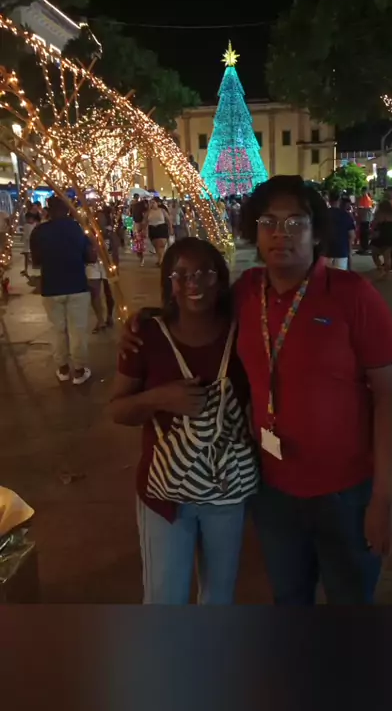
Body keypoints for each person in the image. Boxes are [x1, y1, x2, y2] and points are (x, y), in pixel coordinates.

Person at [121, 175, 392, 605]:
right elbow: (195, 310)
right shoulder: (246, 292)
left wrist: (384, 497)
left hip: (346, 493)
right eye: (269, 222)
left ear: (316, 232)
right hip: (274, 492)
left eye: (295, 222)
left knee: (350, 602)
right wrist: (145, 320)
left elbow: (389, 396)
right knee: (288, 601)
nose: (280, 233)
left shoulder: (354, 296)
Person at [110, 238, 258, 605]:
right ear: (169, 282)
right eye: (181, 274)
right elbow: (118, 409)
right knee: (165, 597)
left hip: (227, 488)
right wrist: (160, 398)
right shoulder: (146, 335)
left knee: (219, 595)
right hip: (164, 495)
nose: (194, 282)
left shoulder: (244, 333)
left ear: (220, 279)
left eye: (205, 272)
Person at [30, 196, 95, 385]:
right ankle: (79, 370)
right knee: (77, 330)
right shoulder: (77, 228)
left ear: (48, 210)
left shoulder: (39, 231)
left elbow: (36, 261)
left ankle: (63, 368)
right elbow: (90, 257)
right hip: (76, 285)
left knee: (57, 330)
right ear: (67, 210)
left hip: (51, 286)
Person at [325, 189, 355, 270]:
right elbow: (352, 235)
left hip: (326, 251)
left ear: (329, 200)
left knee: (327, 275)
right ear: (339, 200)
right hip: (342, 251)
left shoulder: (323, 214)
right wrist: (349, 250)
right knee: (339, 275)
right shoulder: (345, 215)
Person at [370, 200, 392, 277]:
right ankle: (387, 273)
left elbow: (374, 225)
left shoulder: (378, 214)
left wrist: (372, 233)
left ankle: (380, 268)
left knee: (374, 253)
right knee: (387, 257)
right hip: (390, 237)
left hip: (379, 236)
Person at [86, 258, 115, 332]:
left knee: (109, 293)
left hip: (107, 261)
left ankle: (109, 316)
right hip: (92, 264)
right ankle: (100, 320)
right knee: (94, 294)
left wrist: (115, 264)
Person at [147, 197, 171, 267]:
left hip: (161, 228)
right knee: (156, 246)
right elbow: (145, 221)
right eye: (151, 203)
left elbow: (168, 220)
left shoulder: (162, 210)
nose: (152, 204)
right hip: (152, 229)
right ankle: (160, 259)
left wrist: (171, 228)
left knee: (161, 245)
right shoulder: (148, 212)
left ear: (157, 203)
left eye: (153, 202)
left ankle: (161, 261)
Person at [20, 210, 38, 276]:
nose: (29, 220)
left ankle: (27, 269)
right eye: (27, 218)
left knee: (28, 257)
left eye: (30, 218)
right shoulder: (27, 225)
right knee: (27, 257)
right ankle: (26, 269)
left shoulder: (31, 225)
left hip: (30, 243)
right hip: (27, 243)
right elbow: (26, 234)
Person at [357, 188, 374, 253]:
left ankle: (365, 248)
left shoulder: (367, 198)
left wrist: (360, 213)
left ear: (366, 191)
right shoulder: (363, 198)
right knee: (363, 234)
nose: (362, 192)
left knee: (365, 234)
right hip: (363, 218)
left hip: (365, 219)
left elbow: (366, 209)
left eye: (363, 191)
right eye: (362, 191)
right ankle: (363, 248)